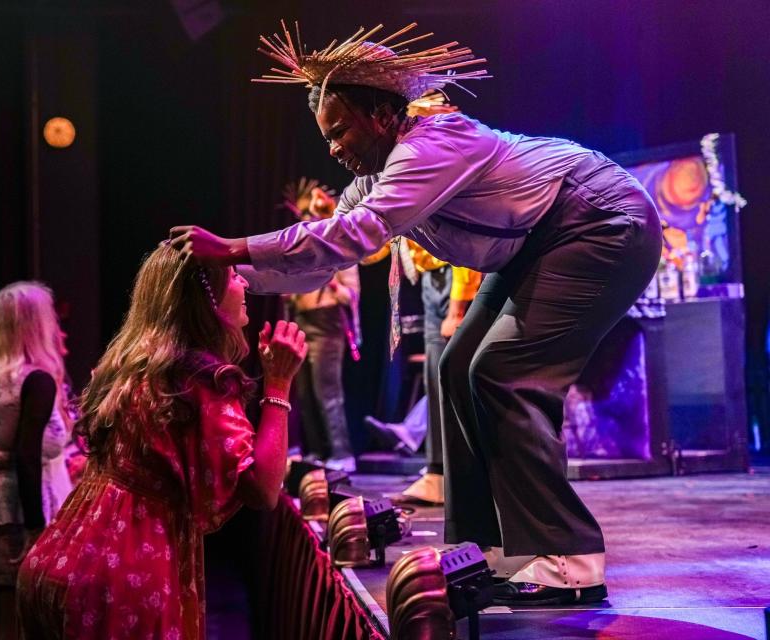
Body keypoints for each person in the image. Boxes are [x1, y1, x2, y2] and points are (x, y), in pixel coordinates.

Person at [169, 23, 662, 605]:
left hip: (600, 220)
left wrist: (235, 247)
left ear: (380, 115)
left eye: (339, 130)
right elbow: (322, 259)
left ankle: (570, 559)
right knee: (457, 368)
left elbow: (358, 233)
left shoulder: (434, 142)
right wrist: (230, 275)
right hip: (537, 242)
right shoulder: (377, 176)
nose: (332, 148)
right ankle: (490, 548)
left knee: (503, 369)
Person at [16, 243, 307, 639]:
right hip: (129, 570)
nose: (243, 282)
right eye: (234, 276)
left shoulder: (129, 361)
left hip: (70, 550)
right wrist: (279, 383)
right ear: (206, 297)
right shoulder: (199, 380)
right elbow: (263, 488)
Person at [0, 281, 75, 639]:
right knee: (21, 625)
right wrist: (36, 530)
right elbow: (27, 456)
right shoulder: (36, 379)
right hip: (17, 515)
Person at [363, 239, 482, 504]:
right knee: (436, 379)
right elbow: (379, 243)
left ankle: (457, 477)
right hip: (434, 280)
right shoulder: (394, 199)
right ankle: (437, 476)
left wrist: (456, 310)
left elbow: (462, 243)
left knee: (450, 380)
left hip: (454, 278)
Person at [281, 179, 360, 472]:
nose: (305, 219)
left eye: (310, 213)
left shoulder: (340, 247)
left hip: (327, 324)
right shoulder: (301, 249)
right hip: (303, 321)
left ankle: (342, 453)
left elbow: (350, 294)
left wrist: (328, 275)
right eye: (301, 215)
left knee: (327, 390)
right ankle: (316, 452)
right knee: (304, 392)